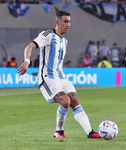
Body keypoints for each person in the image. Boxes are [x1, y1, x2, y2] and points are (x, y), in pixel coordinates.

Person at [17, 11, 100, 139]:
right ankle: (59, 131)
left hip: (61, 77)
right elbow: (29, 47)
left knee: (74, 100)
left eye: (70, 22)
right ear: (57, 22)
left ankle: (90, 132)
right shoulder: (48, 35)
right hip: (47, 78)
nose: (68, 24)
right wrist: (27, 61)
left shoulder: (64, 41)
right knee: (65, 101)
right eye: (65, 21)